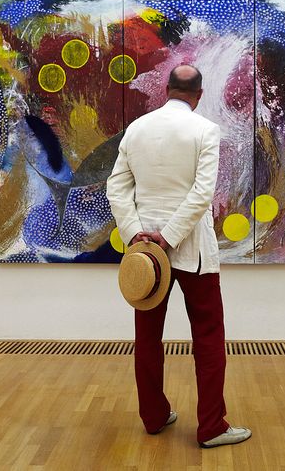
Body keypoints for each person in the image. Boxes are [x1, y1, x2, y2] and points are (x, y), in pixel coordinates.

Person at [106, 64, 252, 448]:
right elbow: (202, 195)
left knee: (147, 337)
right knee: (208, 336)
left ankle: (154, 417)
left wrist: (136, 233)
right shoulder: (205, 130)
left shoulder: (137, 129)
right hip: (192, 251)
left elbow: (116, 188)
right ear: (199, 95)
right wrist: (170, 237)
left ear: (166, 89)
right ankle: (212, 427)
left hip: (146, 256)